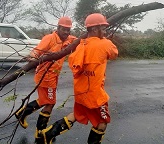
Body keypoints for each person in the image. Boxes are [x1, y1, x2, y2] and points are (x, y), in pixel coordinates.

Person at [40, 13, 119, 144]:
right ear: (94, 29)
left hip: (81, 93)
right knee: (102, 122)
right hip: (96, 95)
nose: (105, 31)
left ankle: (48, 134)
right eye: (103, 28)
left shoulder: (80, 46)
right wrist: (105, 40)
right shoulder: (105, 44)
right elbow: (114, 54)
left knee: (76, 115)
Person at [15, 16, 77, 143]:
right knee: (50, 102)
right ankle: (41, 133)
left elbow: (80, 41)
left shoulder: (69, 39)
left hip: (53, 76)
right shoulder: (49, 38)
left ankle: (23, 113)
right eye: (64, 29)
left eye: (68, 30)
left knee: (45, 100)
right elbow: (36, 52)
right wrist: (31, 58)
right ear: (58, 28)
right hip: (45, 76)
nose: (66, 32)